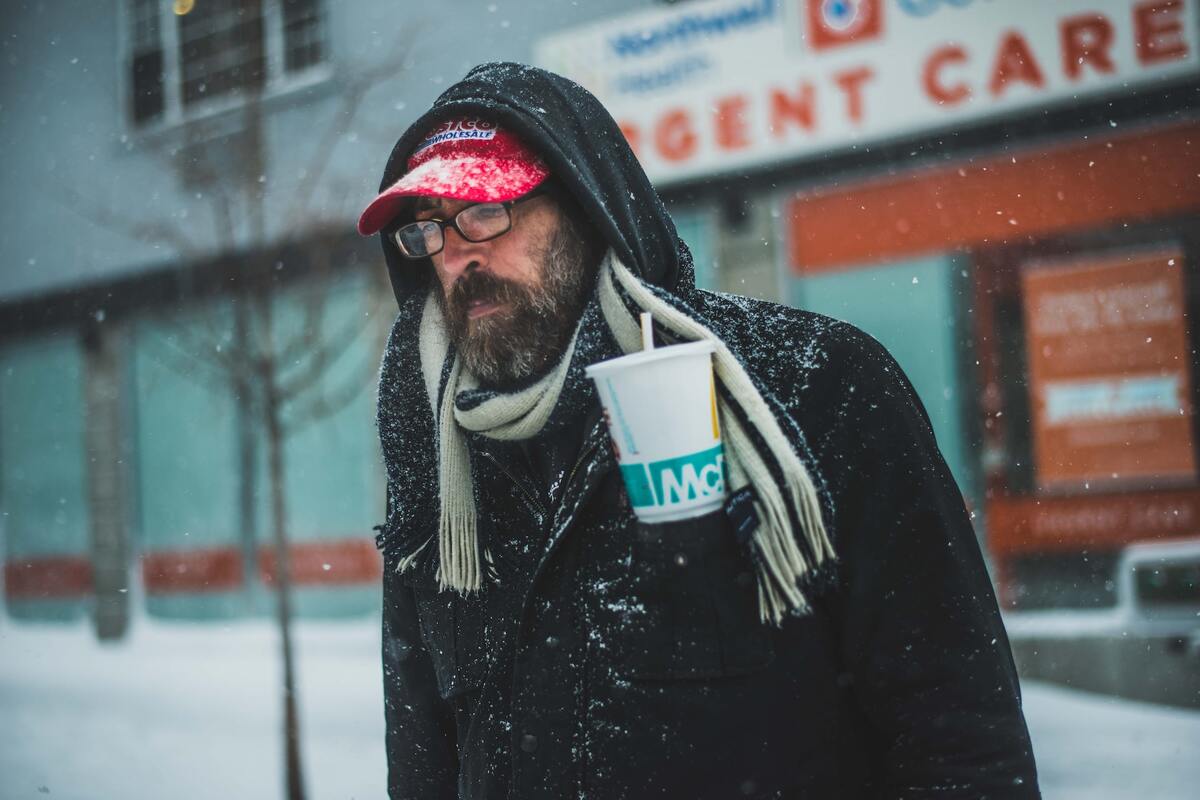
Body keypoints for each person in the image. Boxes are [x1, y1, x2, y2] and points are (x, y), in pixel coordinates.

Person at [358, 62, 1041, 800]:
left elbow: (956, 727)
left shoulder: (814, 386)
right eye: (427, 227)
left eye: (485, 209)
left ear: (587, 208)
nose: (456, 252)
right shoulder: (442, 458)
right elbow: (424, 755)